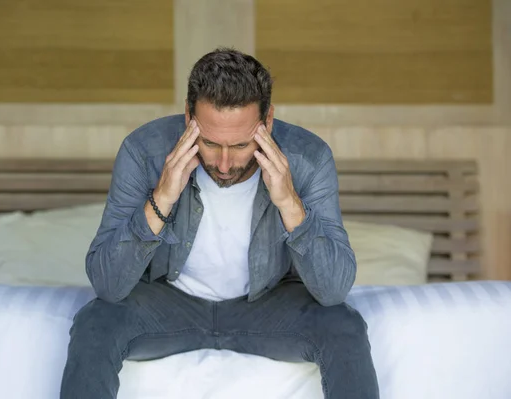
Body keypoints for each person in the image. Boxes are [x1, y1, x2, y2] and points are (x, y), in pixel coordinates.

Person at [60, 48, 379, 399]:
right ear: (188, 117)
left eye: (241, 145)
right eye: (209, 143)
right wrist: (162, 196)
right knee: (95, 323)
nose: (225, 164)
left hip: (268, 307)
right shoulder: (144, 150)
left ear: (267, 122)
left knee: (344, 326)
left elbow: (334, 291)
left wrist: (289, 202)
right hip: (169, 304)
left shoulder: (308, 157)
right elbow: (108, 285)